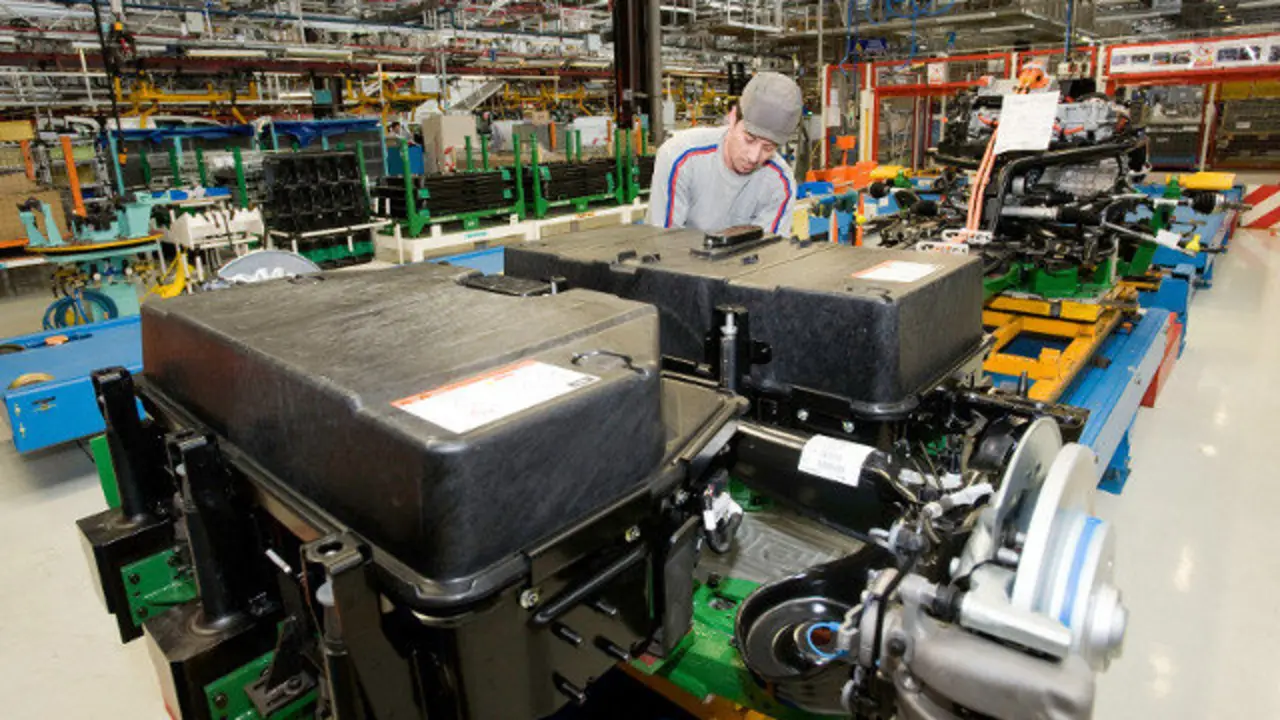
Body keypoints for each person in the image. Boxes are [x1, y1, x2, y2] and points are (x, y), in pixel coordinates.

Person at [646, 72, 802, 236]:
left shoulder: (779, 183)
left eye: (768, 148)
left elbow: (767, 255)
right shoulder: (680, 158)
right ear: (733, 117)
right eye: (749, 139)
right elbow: (662, 245)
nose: (754, 157)